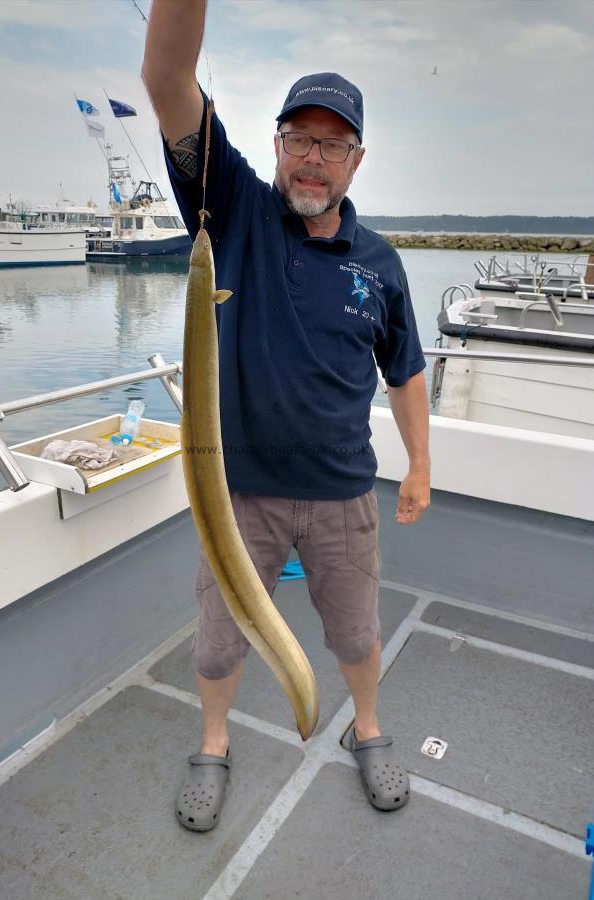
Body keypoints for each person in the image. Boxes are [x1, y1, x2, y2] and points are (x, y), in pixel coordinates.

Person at [143, 0, 430, 833]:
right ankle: (213, 742)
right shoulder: (231, 208)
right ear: (274, 146)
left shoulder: (378, 263)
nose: (313, 159)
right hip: (239, 498)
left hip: (343, 492)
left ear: (356, 159)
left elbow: (404, 370)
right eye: (298, 139)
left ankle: (367, 731)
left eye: (331, 143)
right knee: (218, 641)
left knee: (354, 633)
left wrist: (418, 464)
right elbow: (166, 79)